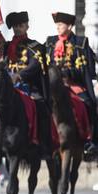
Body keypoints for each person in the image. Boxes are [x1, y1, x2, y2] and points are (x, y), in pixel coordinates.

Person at [45, 12, 98, 155]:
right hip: (53, 85)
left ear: (69, 26)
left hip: (73, 84)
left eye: (60, 24)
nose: (57, 27)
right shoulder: (50, 42)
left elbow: (88, 69)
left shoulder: (80, 43)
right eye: (56, 24)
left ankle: (91, 141)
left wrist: (68, 73)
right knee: (41, 104)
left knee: (89, 104)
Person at [3, 11, 52, 158]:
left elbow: (35, 65)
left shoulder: (35, 46)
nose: (18, 29)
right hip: (8, 88)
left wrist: (19, 75)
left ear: (27, 26)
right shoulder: (5, 47)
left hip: (28, 87)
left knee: (41, 107)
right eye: (15, 26)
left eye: (20, 25)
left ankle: (42, 144)